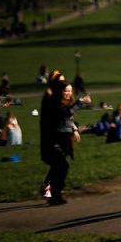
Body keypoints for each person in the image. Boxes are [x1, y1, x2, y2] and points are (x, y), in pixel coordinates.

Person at [40, 71, 80, 205]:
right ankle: (55, 194)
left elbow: (68, 118)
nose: (67, 90)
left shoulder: (64, 101)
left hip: (62, 139)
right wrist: (79, 103)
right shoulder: (51, 100)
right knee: (61, 165)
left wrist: (74, 129)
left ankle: (48, 190)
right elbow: (61, 115)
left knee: (57, 167)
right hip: (52, 139)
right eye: (61, 83)